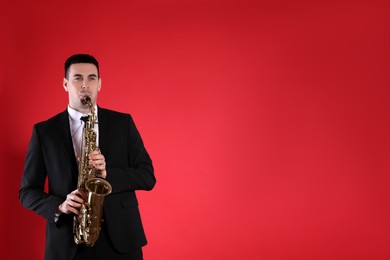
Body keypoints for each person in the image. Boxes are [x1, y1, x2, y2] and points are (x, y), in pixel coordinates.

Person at [19, 54, 156, 260]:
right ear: (65, 84)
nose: (85, 84)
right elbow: (27, 192)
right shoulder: (44, 132)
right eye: (77, 78)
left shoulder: (123, 123)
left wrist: (107, 174)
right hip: (68, 243)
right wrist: (60, 205)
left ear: (100, 84)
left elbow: (147, 176)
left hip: (121, 241)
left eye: (92, 78)